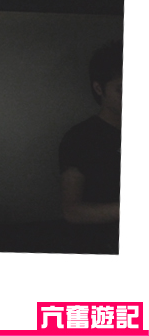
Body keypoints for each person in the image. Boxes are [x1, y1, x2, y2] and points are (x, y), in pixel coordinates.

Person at [59, 41, 122, 254]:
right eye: (121, 89)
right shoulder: (80, 139)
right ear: (99, 88)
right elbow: (72, 210)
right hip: (101, 246)